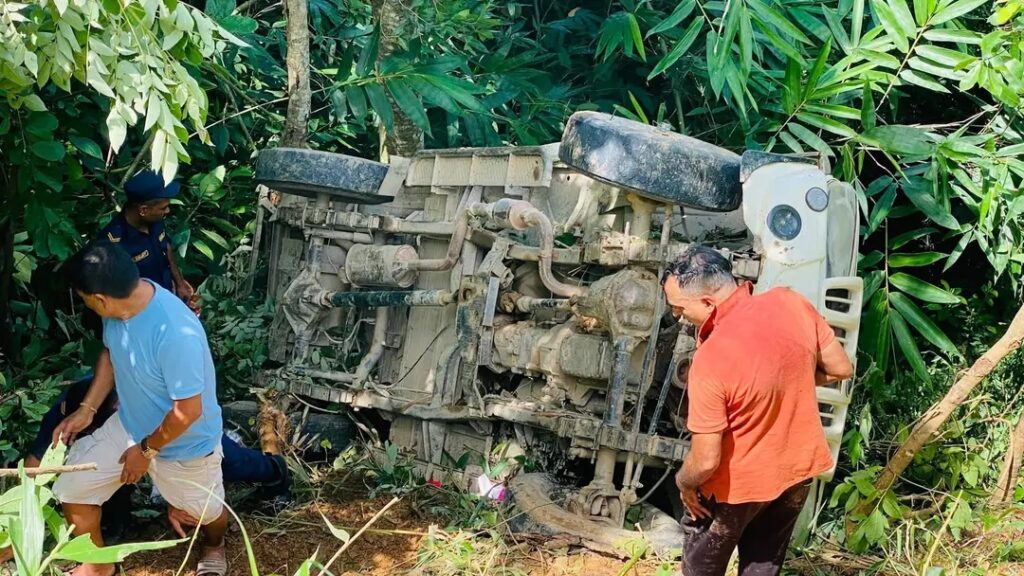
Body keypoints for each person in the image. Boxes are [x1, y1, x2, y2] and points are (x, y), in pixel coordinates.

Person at [661, 246, 854, 576]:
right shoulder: (790, 303)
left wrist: (684, 482)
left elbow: (706, 460)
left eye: (680, 309)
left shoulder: (711, 358)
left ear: (708, 302)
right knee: (762, 569)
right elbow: (840, 367)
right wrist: (784, 380)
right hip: (796, 473)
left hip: (733, 491)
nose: (679, 317)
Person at [51, 242, 230, 576]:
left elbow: (187, 411)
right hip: (129, 425)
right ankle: (99, 566)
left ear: (100, 299)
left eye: (86, 300)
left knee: (206, 512)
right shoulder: (122, 306)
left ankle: (215, 543)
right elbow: (111, 353)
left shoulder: (177, 333)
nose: (88, 306)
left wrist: (146, 450)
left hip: (184, 444)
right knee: (73, 489)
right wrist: (88, 409)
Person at [100, 169, 196, 309]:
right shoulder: (113, 242)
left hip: (165, 295)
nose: (167, 211)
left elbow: (166, 247)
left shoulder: (154, 220)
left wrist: (179, 283)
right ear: (143, 210)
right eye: (163, 208)